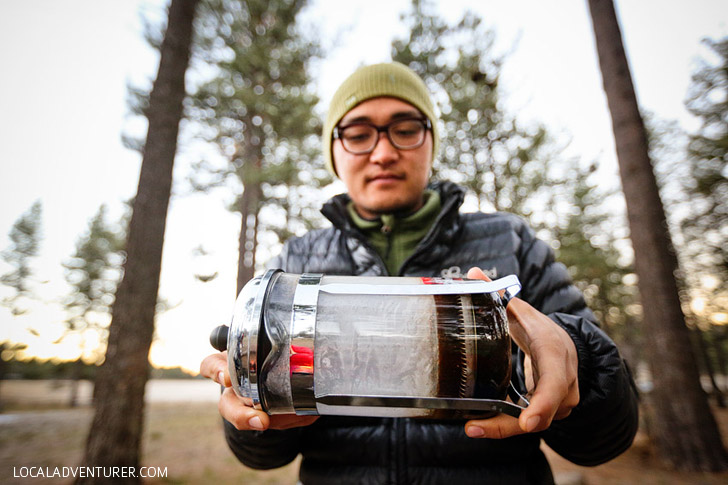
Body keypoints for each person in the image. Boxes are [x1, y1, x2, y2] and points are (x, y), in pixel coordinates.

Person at [200, 62, 639, 484]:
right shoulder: (298, 262)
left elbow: (600, 442)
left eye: (406, 129)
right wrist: (250, 396)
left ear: (430, 141)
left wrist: (576, 355)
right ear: (334, 151)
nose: (385, 152)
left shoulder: (508, 242)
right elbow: (264, 456)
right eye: (357, 134)